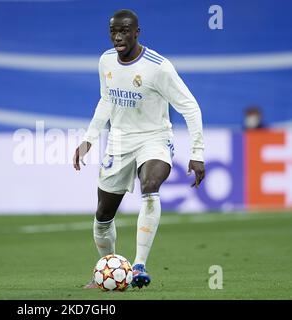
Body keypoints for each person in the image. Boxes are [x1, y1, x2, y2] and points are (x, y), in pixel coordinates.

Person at [73, 9, 205, 289]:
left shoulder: (159, 67)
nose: (118, 37)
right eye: (113, 31)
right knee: (102, 217)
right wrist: (89, 139)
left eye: (124, 31)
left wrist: (197, 153)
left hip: (154, 138)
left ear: (137, 32)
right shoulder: (106, 61)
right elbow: (106, 100)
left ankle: (139, 265)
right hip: (119, 142)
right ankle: (109, 272)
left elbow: (190, 107)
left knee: (150, 184)